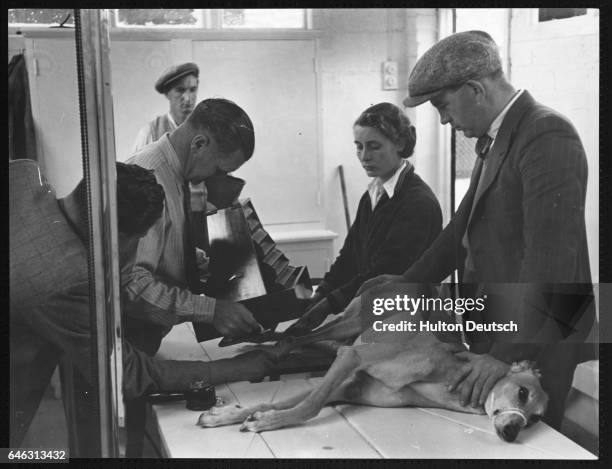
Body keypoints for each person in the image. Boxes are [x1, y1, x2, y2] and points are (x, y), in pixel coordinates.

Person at [358, 30, 595, 430]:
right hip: (498, 326)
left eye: (442, 105)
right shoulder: (498, 138)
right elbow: (459, 230)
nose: (444, 120)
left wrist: (504, 354)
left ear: (474, 89)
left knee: (525, 446)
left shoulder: (546, 134)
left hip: (538, 338)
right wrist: (407, 283)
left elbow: (549, 262)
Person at [9, 160, 279, 452]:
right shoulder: (65, 281)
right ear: (109, 230)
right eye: (137, 240)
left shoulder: (24, 176)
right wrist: (236, 367)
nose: (137, 250)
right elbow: (130, 374)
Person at [287, 103, 442, 335]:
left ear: (399, 144)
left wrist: (330, 304)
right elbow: (349, 255)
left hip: (408, 322)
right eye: (358, 147)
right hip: (376, 310)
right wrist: (323, 292)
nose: (364, 156)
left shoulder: (417, 202)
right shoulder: (372, 194)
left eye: (374, 146)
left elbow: (386, 272)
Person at [123, 98, 262, 355]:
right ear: (199, 143)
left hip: (147, 336)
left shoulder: (172, 173)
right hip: (130, 343)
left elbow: (156, 244)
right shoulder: (150, 176)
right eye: (218, 169)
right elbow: (133, 286)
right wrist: (210, 310)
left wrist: (189, 260)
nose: (216, 179)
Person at [132, 62, 200, 153]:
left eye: (192, 90)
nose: (187, 98)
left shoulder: (207, 130)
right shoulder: (150, 133)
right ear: (167, 94)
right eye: (180, 90)